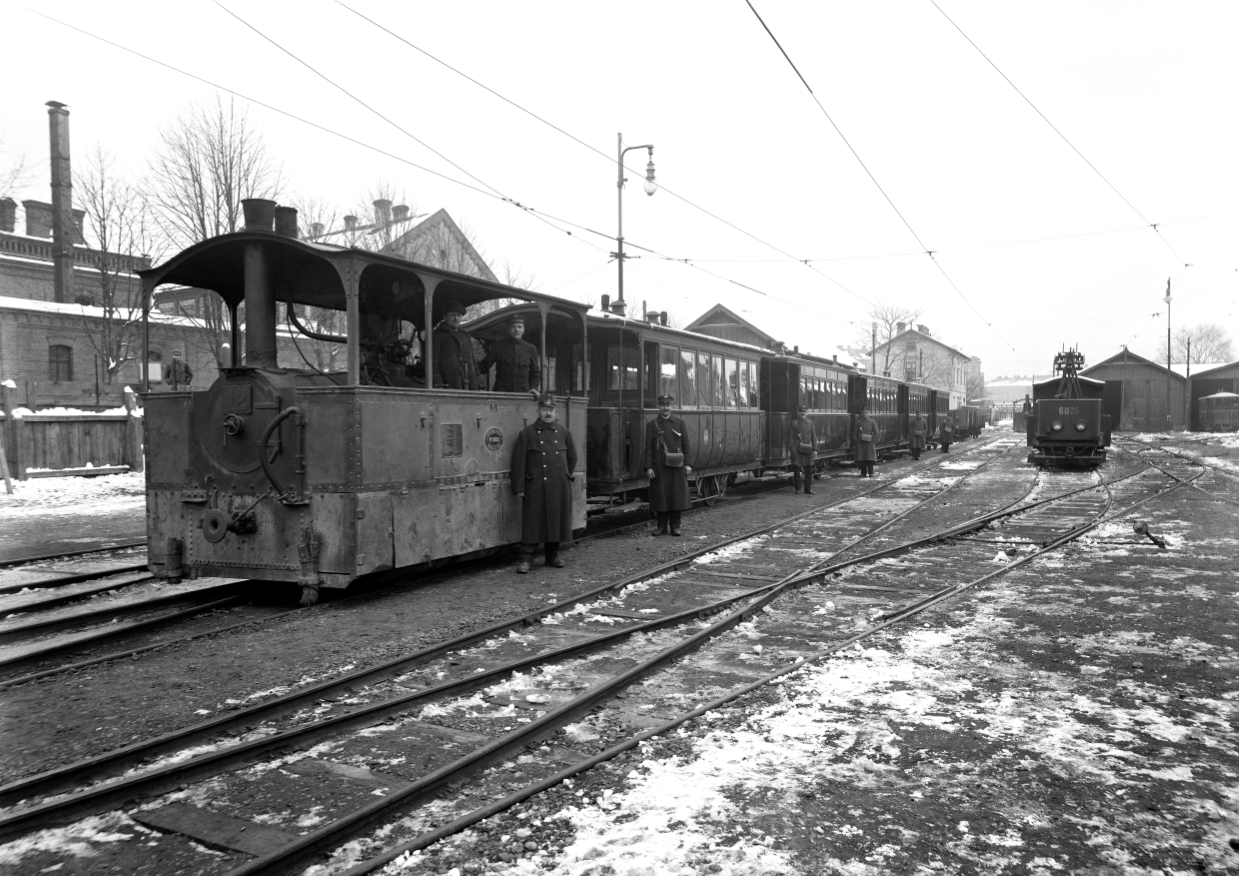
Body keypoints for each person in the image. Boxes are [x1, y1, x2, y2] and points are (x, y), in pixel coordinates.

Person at [510, 393, 577, 573]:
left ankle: (552, 556)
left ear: (555, 411)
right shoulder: (527, 433)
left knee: (555, 522)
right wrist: (519, 488)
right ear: (538, 410)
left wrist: (563, 476)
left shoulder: (563, 432)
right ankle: (526, 559)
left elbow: (572, 457)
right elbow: (518, 463)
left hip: (557, 486)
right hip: (535, 487)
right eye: (545, 410)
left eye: (551, 410)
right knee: (532, 523)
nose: (548, 413)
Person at [643, 394, 692, 536]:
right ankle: (661, 527)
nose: (665, 407)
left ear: (672, 406)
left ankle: (675, 526)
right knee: (660, 497)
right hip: (658, 467)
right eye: (663, 405)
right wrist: (648, 467)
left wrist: (688, 464)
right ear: (659, 406)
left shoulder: (679, 422)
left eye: (668, 405)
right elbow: (648, 448)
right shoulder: (652, 425)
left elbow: (686, 445)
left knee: (676, 496)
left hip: (677, 466)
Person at [479, 314, 541, 393]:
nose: (516, 330)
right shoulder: (498, 346)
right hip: (501, 393)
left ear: (523, 329)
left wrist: (533, 388)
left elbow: (535, 372)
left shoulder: (531, 348)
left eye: (519, 327)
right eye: (513, 327)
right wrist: (467, 368)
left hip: (523, 394)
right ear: (508, 329)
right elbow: (484, 366)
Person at [433, 301, 480, 389]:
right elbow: (433, 364)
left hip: (470, 385)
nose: (456, 318)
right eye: (452, 315)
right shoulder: (436, 336)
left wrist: (479, 382)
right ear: (444, 317)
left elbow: (472, 361)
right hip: (449, 385)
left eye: (459, 315)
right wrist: (438, 384)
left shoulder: (465, 336)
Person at [789, 405, 816, 494]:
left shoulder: (810, 423)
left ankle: (808, 489)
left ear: (807, 413)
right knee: (796, 470)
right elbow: (790, 437)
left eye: (804, 412)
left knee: (808, 470)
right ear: (798, 412)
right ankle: (798, 489)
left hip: (807, 448)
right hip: (796, 449)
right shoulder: (794, 423)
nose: (802, 414)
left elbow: (814, 437)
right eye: (801, 412)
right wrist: (792, 449)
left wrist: (815, 449)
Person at [855, 406, 879, 478]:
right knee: (862, 459)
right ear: (861, 414)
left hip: (870, 443)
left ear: (868, 413)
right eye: (863, 413)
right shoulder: (858, 423)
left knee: (870, 459)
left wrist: (873, 440)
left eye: (865, 413)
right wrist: (856, 439)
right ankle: (863, 473)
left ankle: (871, 473)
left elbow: (876, 432)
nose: (864, 414)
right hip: (861, 443)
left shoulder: (872, 422)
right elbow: (854, 432)